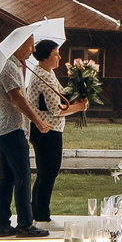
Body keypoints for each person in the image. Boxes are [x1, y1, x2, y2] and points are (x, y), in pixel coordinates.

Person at [0, 33, 49, 238]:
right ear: (19, 44)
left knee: (7, 178)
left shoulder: (12, 65)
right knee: (23, 177)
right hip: (11, 130)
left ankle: (3, 225)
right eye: (31, 45)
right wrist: (38, 121)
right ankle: (25, 224)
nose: (33, 50)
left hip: (4, 130)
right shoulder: (7, 67)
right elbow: (17, 98)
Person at [27, 38, 87, 225]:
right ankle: (42, 216)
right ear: (44, 57)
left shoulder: (48, 73)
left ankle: (36, 213)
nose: (59, 57)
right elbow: (54, 109)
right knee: (48, 172)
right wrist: (77, 109)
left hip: (50, 130)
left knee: (46, 171)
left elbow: (61, 95)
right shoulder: (42, 77)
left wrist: (80, 92)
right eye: (55, 54)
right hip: (46, 130)